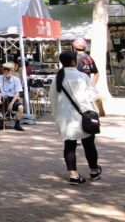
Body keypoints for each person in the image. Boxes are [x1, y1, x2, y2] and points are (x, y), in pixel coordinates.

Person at [49, 51, 101, 184]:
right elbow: (95, 96)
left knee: (69, 145)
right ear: (73, 62)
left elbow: (52, 98)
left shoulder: (57, 78)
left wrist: (56, 114)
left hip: (65, 118)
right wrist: (101, 111)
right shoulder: (82, 76)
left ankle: (73, 175)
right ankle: (94, 170)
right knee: (89, 144)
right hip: (85, 116)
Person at [0, 62, 26, 131]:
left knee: (21, 107)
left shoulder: (16, 79)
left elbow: (17, 93)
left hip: (13, 98)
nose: (6, 71)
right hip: (3, 97)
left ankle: (17, 124)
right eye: (5, 69)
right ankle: (1, 122)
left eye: (8, 69)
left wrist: (12, 103)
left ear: (12, 70)